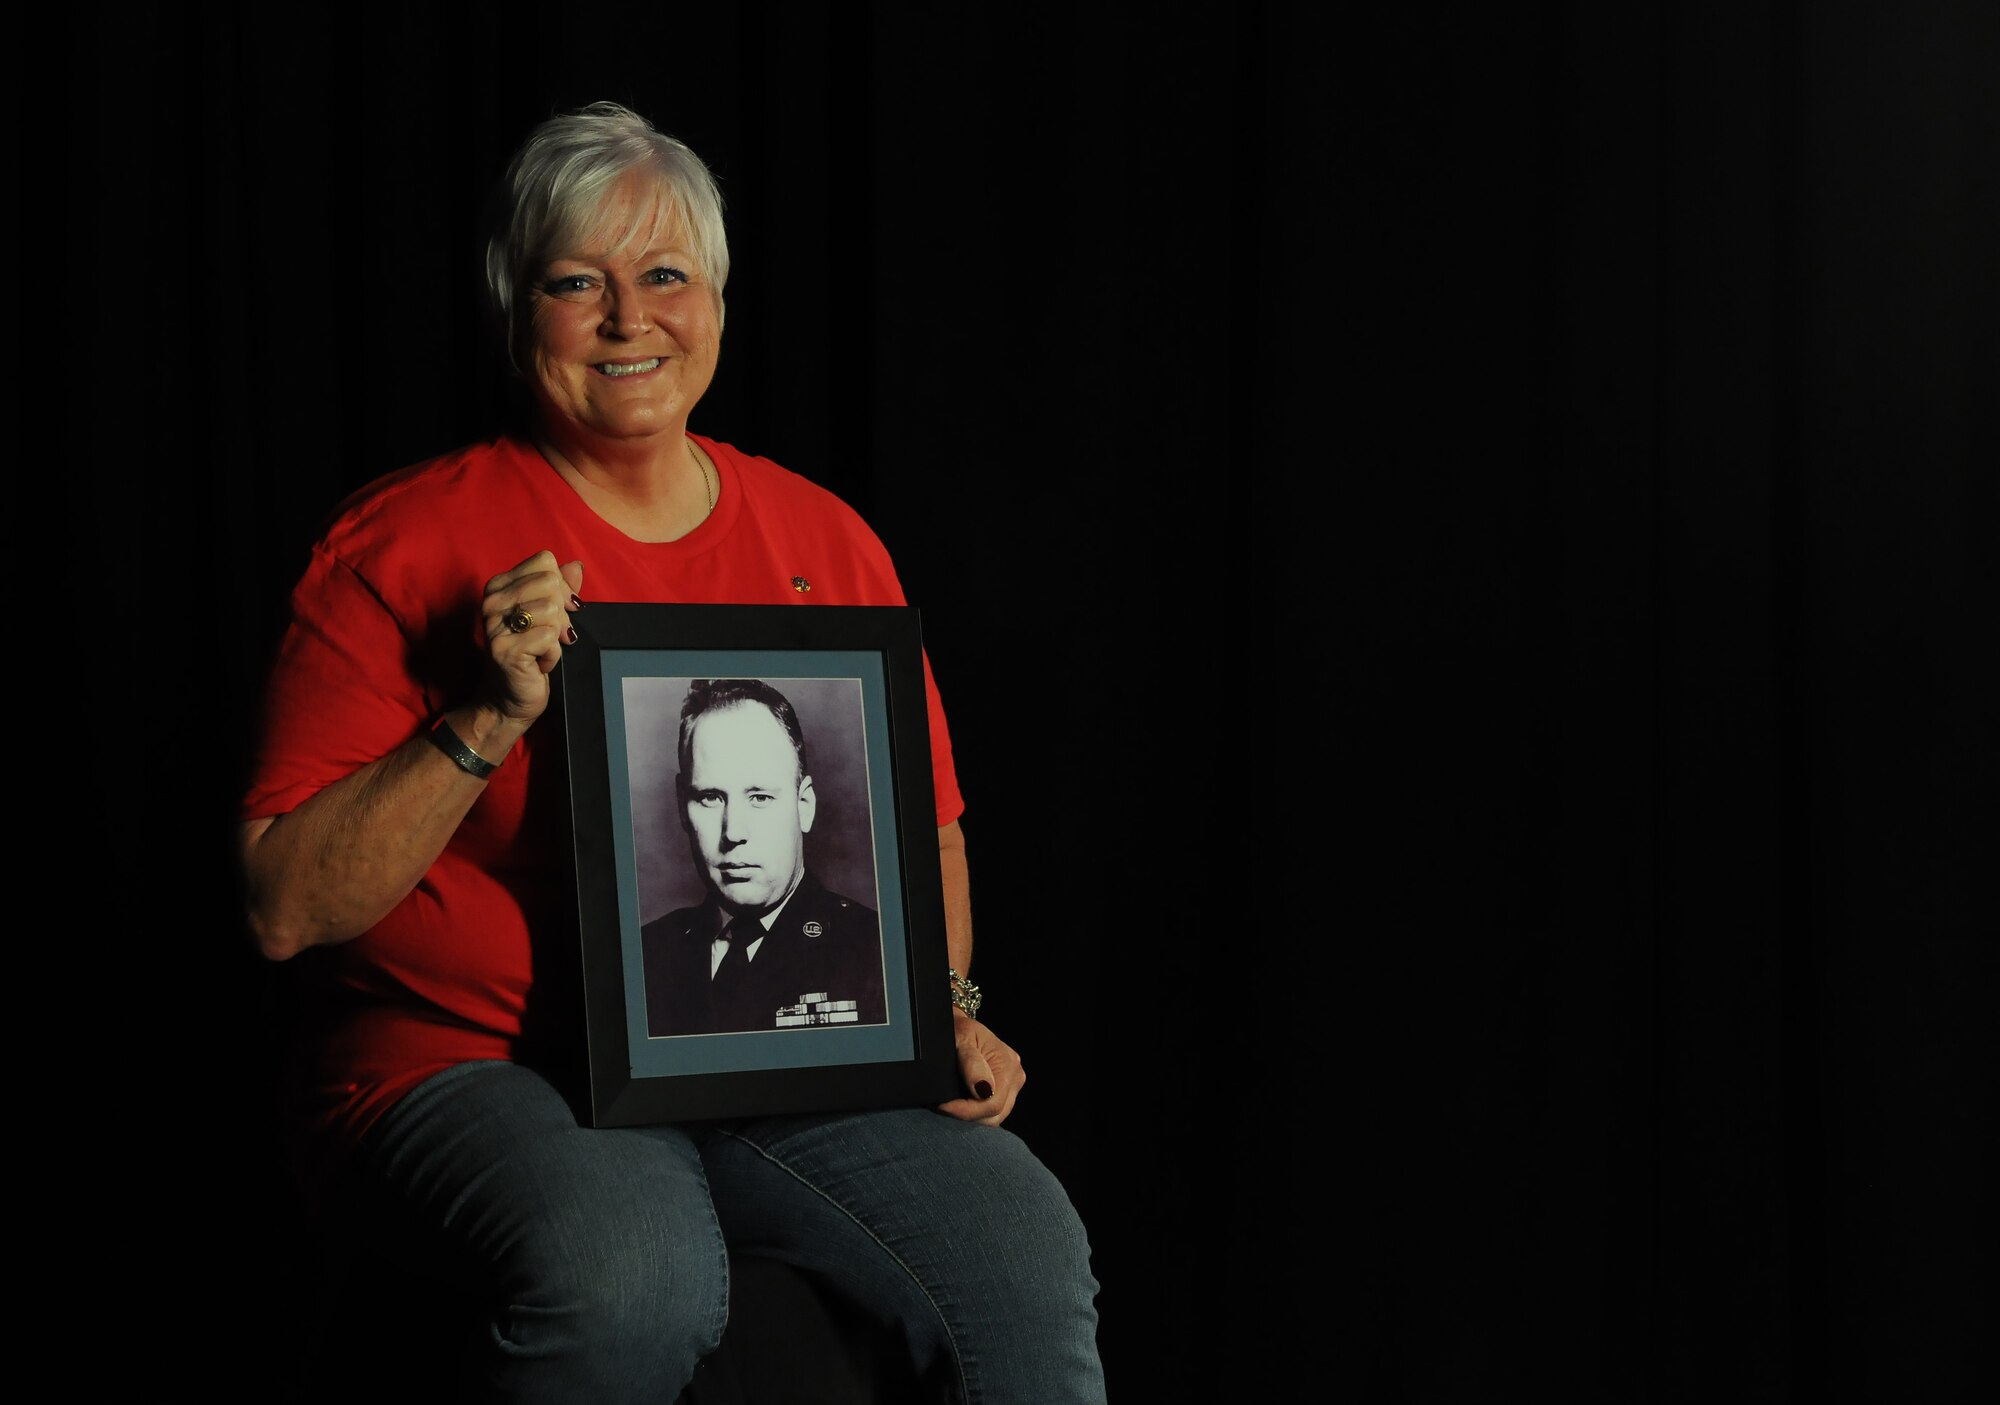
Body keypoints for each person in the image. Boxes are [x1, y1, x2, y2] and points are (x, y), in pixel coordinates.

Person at [237, 99, 1105, 1403]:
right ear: (515, 306)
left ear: (714, 299)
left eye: (663, 277)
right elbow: (282, 908)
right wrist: (481, 718)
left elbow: (926, 829)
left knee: (1025, 1251)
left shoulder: (827, 538)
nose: (628, 319)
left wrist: (947, 1012)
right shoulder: (401, 544)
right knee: (634, 1270)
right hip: (472, 1062)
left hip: (772, 1063)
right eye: (576, 283)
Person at [642, 678, 889, 1037]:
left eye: (759, 797)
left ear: (804, 805)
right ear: (683, 805)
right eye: (710, 797)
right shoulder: (645, 955)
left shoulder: (876, 952)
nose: (733, 832)